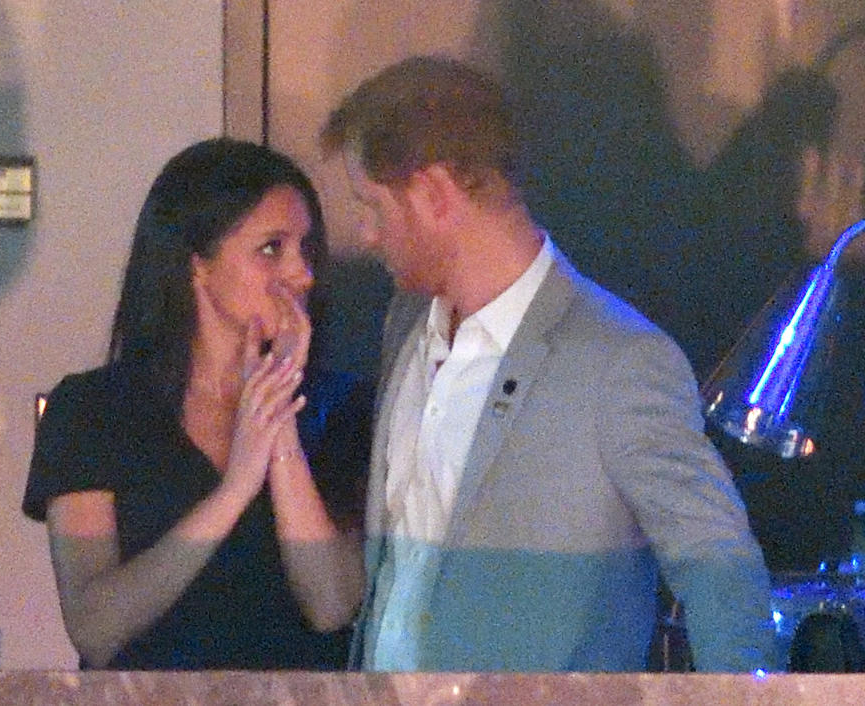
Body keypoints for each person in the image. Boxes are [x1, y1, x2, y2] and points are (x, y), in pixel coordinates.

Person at [319, 55, 774, 672]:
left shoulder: (621, 364)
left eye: (371, 206)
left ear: (433, 194)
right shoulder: (405, 323)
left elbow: (721, 572)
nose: (367, 234)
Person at [22, 138, 364, 670]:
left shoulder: (342, 406)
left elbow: (332, 606)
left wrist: (280, 429)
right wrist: (235, 489)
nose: (303, 274)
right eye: (272, 247)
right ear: (198, 263)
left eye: (306, 248)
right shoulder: (92, 412)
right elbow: (95, 627)